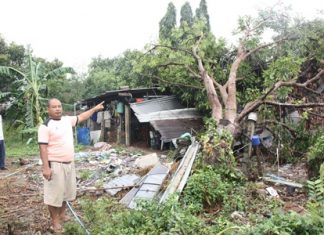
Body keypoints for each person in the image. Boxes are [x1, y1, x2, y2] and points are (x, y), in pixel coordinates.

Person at [38, 98, 104, 233]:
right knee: (53, 196)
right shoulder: (45, 126)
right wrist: (46, 167)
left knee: (66, 193)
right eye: (54, 107)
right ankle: (55, 222)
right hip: (55, 164)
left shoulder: (67, 120)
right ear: (48, 109)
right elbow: (43, 148)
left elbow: (81, 117)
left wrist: (94, 109)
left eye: (59, 106)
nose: (58, 109)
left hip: (69, 163)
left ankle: (62, 215)